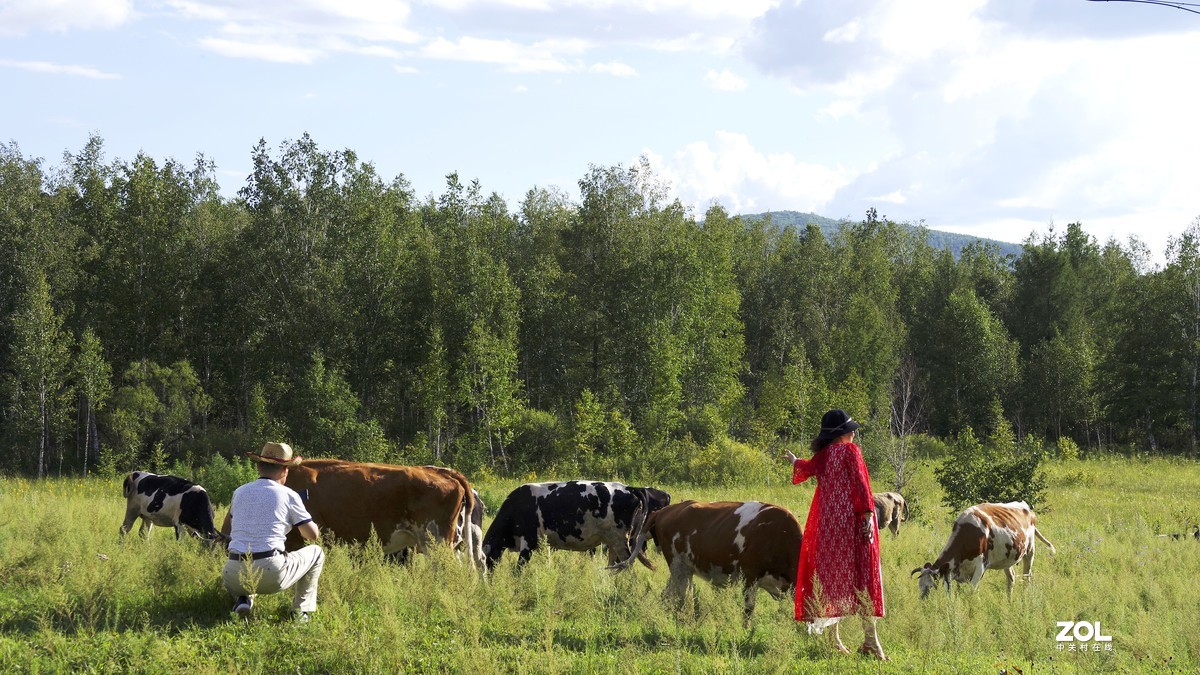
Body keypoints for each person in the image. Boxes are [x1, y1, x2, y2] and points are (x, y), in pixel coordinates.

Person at [783, 409, 887, 661]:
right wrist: (866, 514)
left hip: (828, 527)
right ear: (840, 434)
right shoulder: (851, 451)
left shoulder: (824, 455)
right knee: (864, 576)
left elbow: (805, 468)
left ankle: (835, 640)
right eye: (848, 429)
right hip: (853, 523)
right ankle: (870, 641)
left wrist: (795, 461)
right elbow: (862, 484)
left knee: (831, 578)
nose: (852, 433)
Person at [221, 442, 324, 622]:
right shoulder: (289, 494)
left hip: (232, 575)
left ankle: (242, 599)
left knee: (245, 557)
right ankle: (300, 611)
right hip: (271, 572)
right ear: (285, 471)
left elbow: (229, 527)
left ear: (259, 467)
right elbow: (312, 535)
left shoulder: (239, 492)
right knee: (317, 553)